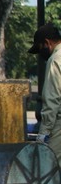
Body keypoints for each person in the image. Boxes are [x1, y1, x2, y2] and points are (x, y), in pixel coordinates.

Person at [33, 23, 61, 160]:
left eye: (40, 49)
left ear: (47, 43)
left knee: (50, 167)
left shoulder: (55, 60)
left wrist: (43, 133)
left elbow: (52, 99)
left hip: (59, 126)